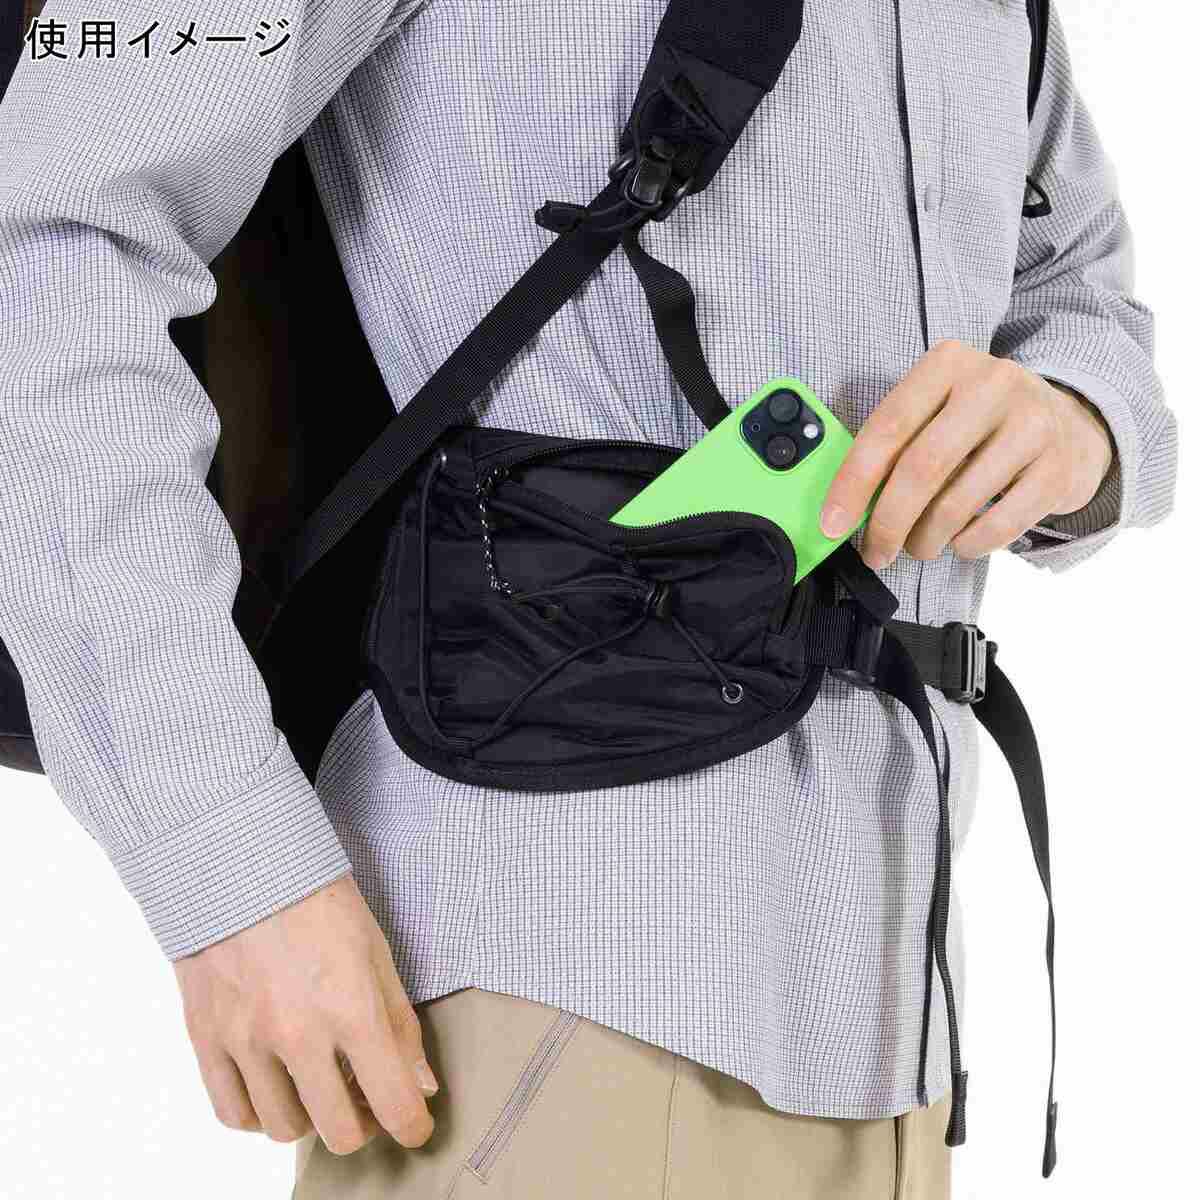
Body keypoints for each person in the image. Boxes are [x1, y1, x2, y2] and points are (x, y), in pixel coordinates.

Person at [0, 2, 1176, 1197]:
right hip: (546, 979)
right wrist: (227, 862)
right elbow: (49, 234)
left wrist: (1078, 421)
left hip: (896, 1015)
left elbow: (1072, 287)